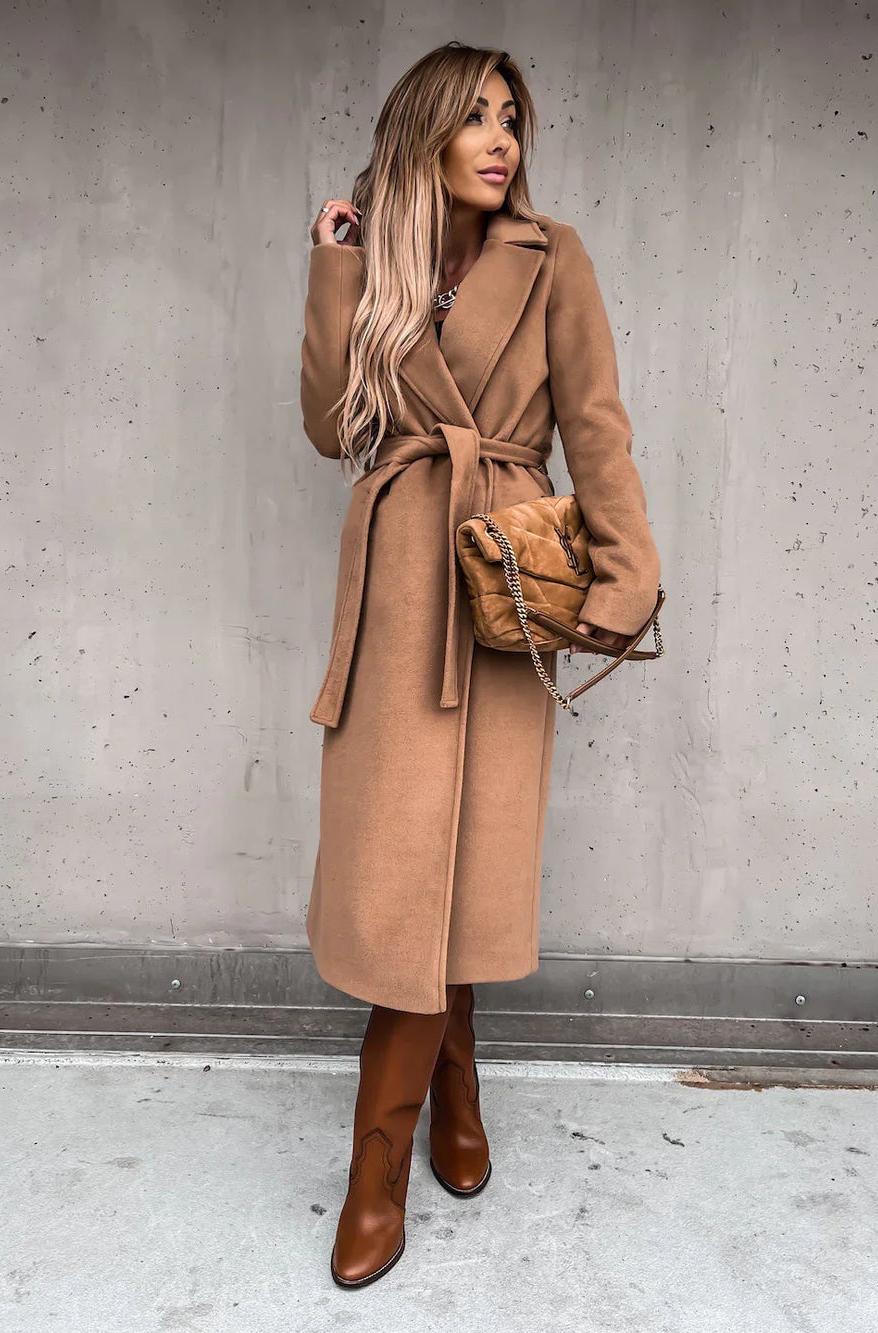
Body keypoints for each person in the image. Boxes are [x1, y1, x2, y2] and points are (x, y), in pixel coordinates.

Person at [299, 42, 662, 1288]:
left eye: (513, 117)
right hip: (402, 581)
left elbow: (597, 424)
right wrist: (337, 265)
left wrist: (623, 576)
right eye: (474, 118)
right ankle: (409, 1132)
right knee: (404, 876)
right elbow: (330, 426)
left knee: (464, 867)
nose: (501, 138)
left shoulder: (552, 256)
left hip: (501, 574)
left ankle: (398, 1148)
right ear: (425, 134)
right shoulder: (384, 260)